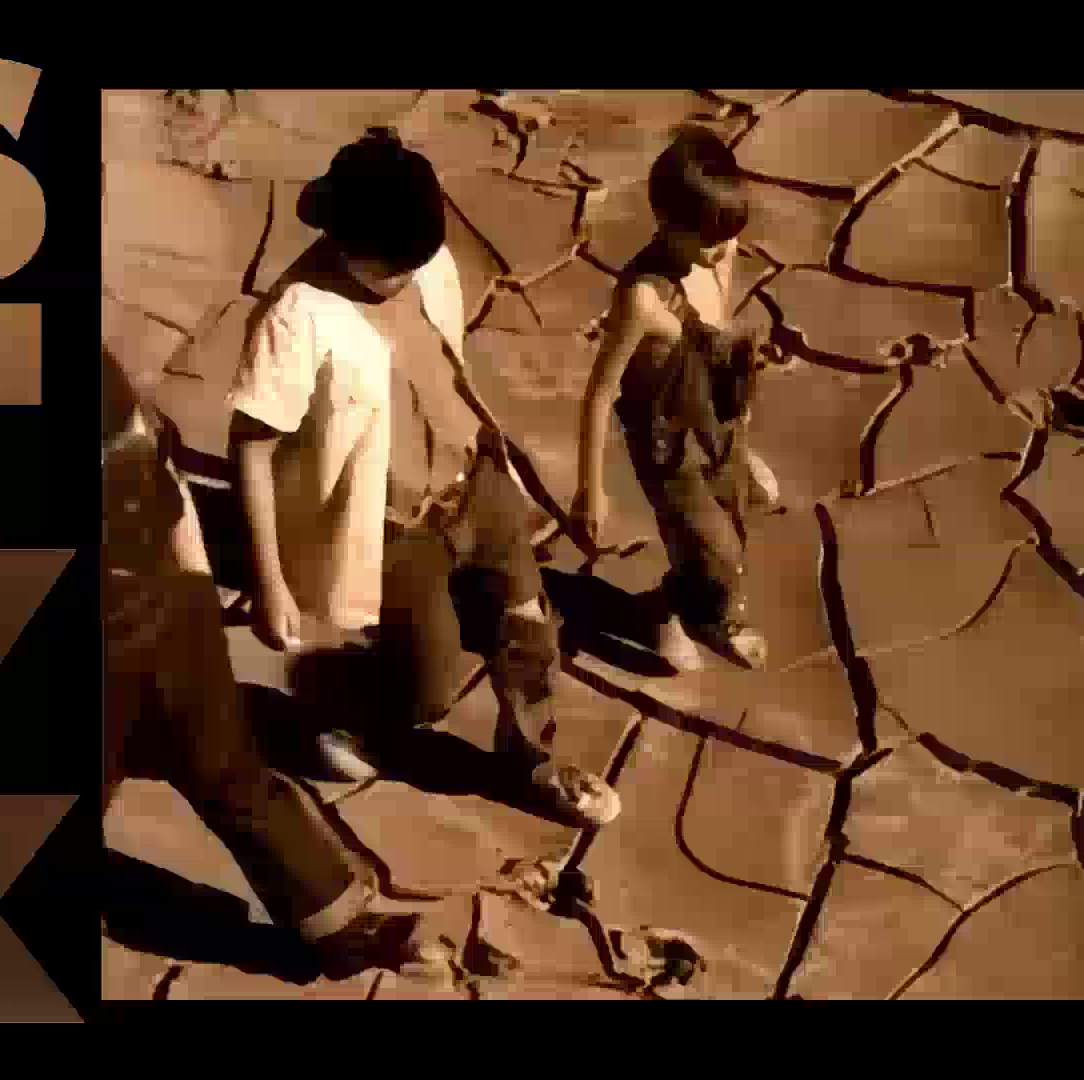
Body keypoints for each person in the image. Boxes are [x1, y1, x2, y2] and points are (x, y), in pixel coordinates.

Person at [227, 128, 619, 827]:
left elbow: (446, 365)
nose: (411, 276)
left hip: (478, 484)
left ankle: (531, 758)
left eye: (418, 259)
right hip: (396, 529)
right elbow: (250, 449)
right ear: (345, 242)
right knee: (427, 692)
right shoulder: (296, 319)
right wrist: (270, 582)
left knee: (530, 631)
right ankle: (345, 706)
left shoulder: (426, 263)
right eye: (394, 267)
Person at [101, 350, 450, 980]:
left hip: (165, 612)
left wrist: (195, 590)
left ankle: (337, 928)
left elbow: (165, 477)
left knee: (226, 767)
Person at [571, 126, 775, 673]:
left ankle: (664, 610)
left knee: (731, 529)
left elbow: (717, 342)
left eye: (729, 235)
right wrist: (591, 491)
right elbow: (600, 392)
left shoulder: (719, 255)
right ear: (665, 221)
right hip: (667, 443)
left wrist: (742, 440)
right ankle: (705, 621)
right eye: (709, 239)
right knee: (712, 544)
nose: (722, 250)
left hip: (714, 419)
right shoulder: (643, 298)